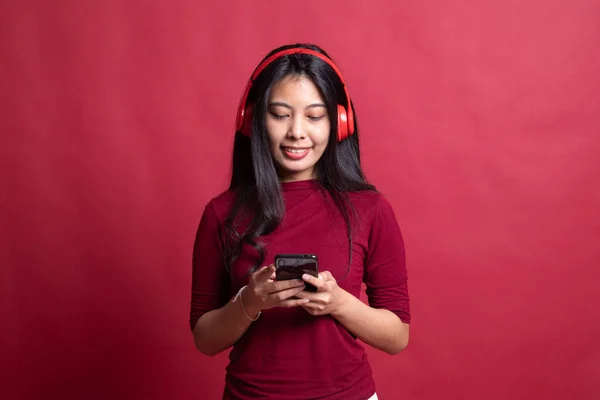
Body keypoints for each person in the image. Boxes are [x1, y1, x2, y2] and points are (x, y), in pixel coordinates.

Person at [190, 43, 411, 400]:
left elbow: (398, 337)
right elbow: (204, 339)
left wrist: (338, 302)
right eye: (280, 114)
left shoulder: (371, 209)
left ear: (340, 122)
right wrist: (251, 301)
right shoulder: (221, 212)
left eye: (314, 115)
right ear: (253, 120)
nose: (297, 131)